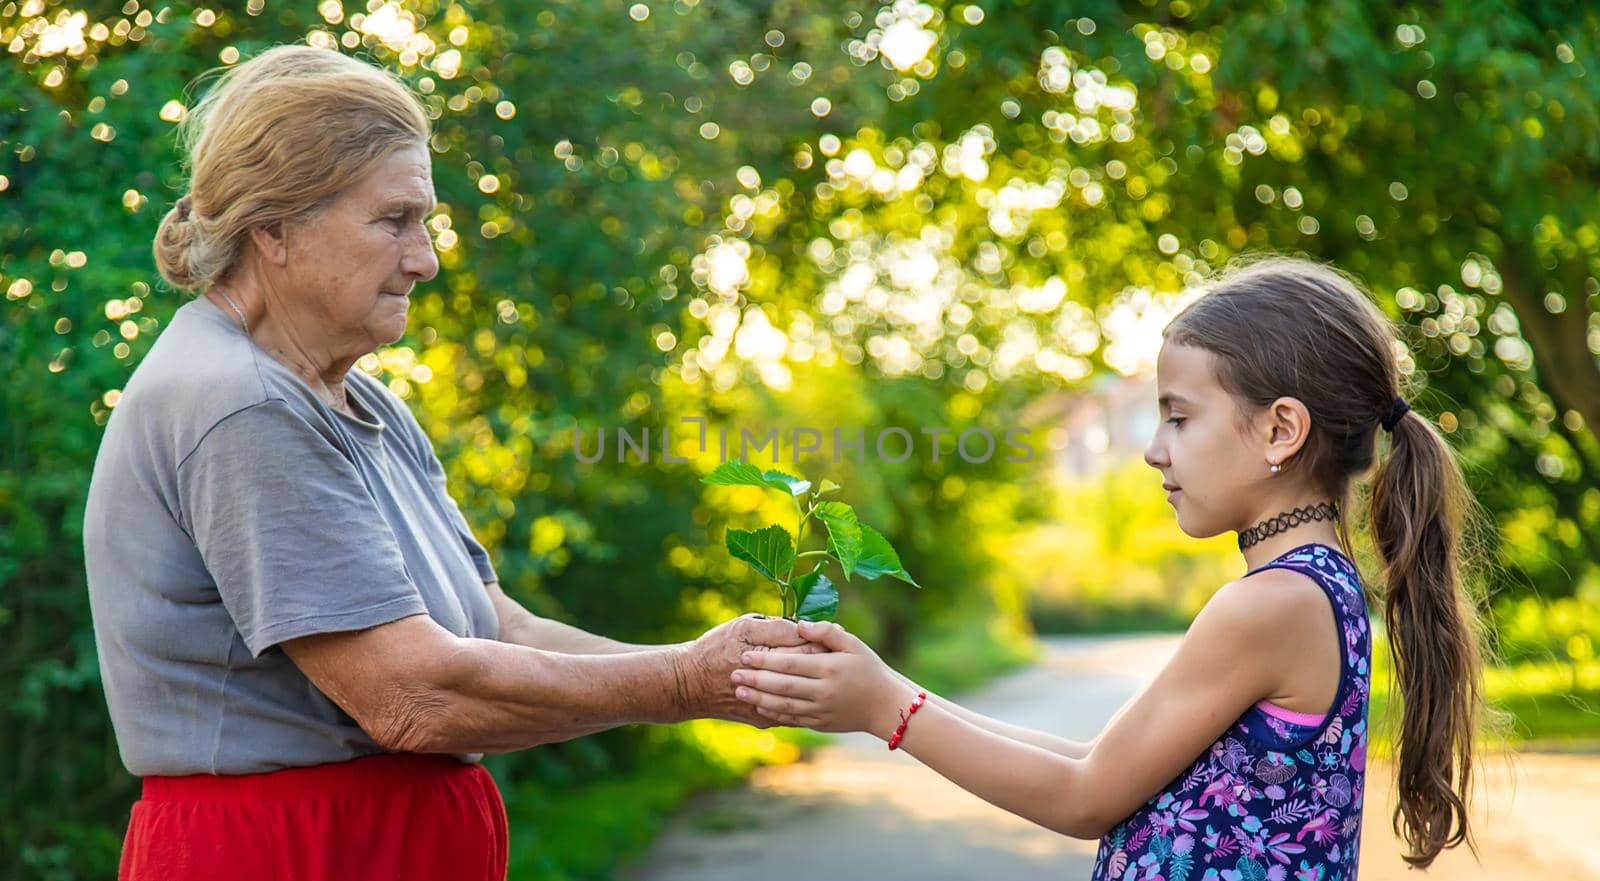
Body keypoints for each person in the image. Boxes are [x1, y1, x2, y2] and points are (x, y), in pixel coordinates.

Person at [84, 45, 813, 881]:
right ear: (273, 225)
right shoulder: (242, 406)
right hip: (289, 857)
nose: (425, 259)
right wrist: (686, 683)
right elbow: (416, 695)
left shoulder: (357, 400)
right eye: (394, 220)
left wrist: (731, 671)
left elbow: (497, 628)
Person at [732, 257, 1495, 878]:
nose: (1154, 448)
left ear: (1281, 429)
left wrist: (884, 710)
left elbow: (1084, 796)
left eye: (1180, 416)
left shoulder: (1272, 603)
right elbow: (1101, 763)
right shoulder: (1311, 589)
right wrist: (891, 689)